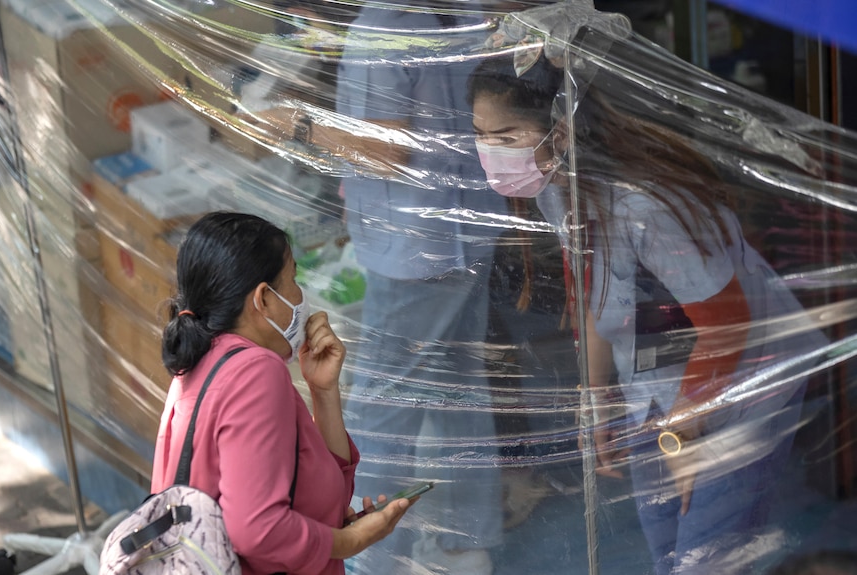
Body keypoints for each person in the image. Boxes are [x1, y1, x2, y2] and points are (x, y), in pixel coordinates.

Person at [466, 53, 828, 574]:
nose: (489, 152)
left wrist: (681, 434)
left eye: (507, 136)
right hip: (663, 376)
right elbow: (593, 294)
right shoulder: (561, 189)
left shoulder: (643, 207)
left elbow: (726, 324)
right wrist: (595, 400)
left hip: (742, 378)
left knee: (706, 559)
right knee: (667, 549)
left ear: (561, 133)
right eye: (480, 135)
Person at [334, 3, 509, 574]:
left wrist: (298, 125)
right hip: (467, 233)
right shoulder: (459, 14)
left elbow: (386, 151)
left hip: (416, 249)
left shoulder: (383, 29)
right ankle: (467, 542)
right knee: (460, 389)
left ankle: (371, 559)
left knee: (382, 412)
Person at [151, 211, 411, 575]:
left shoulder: (200, 362)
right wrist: (353, 541)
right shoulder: (256, 370)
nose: (300, 295)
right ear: (264, 299)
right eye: (293, 279)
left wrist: (324, 391)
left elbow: (308, 491)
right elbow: (257, 530)